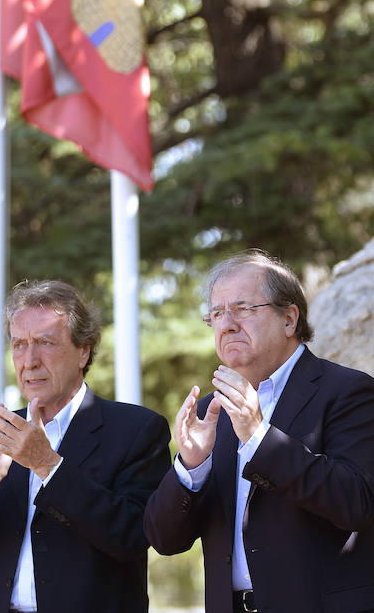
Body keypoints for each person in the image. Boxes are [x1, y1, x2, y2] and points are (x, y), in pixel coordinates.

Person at [144, 249, 374, 613]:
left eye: (243, 308)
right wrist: (191, 467)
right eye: (217, 314)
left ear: (289, 319)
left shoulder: (349, 391)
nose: (227, 324)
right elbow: (164, 539)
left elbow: (358, 503)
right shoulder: (210, 411)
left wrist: (258, 437)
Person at [0, 279, 171, 613]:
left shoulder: (138, 430)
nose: (30, 360)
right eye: (19, 345)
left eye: (45, 342)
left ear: (83, 350)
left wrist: (47, 465)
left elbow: (132, 537)